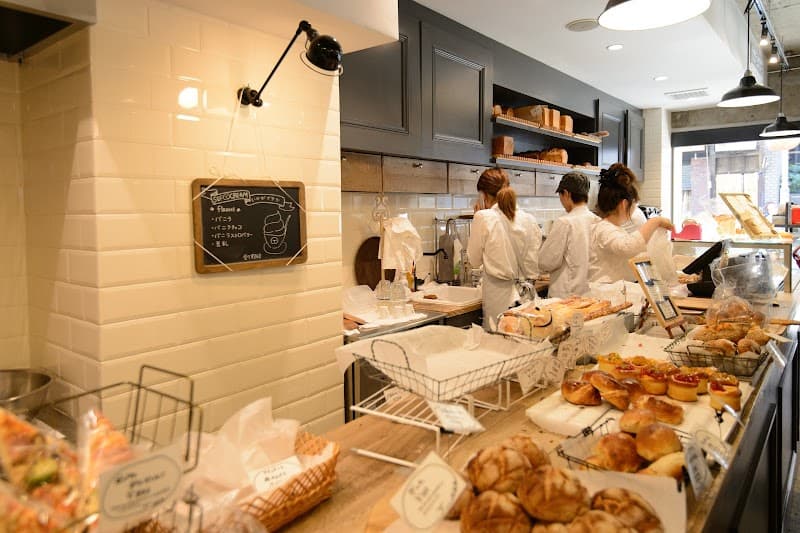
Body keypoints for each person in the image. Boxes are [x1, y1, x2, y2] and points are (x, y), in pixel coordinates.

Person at [467, 168, 542, 331]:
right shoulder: (530, 220)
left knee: (498, 350)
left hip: (498, 300)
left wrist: (476, 219)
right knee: (526, 347)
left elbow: (474, 260)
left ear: (484, 195)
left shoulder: (483, 218)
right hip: (526, 298)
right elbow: (533, 264)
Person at [588, 163, 674, 283]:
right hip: (604, 294)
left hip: (614, 294)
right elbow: (628, 247)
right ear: (624, 204)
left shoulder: (613, 229)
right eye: (634, 204)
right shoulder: (604, 229)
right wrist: (655, 221)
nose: (635, 208)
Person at [538, 171, 598, 298]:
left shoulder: (565, 222)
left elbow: (546, 262)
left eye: (560, 195)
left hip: (565, 296)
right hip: (590, 294)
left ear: (566, 194)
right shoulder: (597, 220)